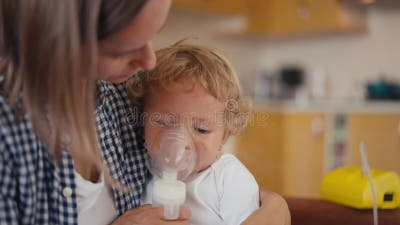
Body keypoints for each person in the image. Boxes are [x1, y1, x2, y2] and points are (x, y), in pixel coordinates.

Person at [0, 1, 290, 225]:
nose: (149, 61)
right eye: (124, 50)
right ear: (62, 40)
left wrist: (276, 207)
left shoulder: (123, 99)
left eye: (152, 37)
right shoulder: (10, 135)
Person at [127, 42, 259, 225]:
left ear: (224, 137)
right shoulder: (137, 169)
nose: (180, 143)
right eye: (163, 122)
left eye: (202, 130)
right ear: (142, 121)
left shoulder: (228, 180)